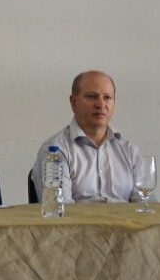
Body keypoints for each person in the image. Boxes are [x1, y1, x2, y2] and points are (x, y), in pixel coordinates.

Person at [32, 71, 144, 203]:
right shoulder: (54, 151)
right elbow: (60, 208)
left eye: (107, 97)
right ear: (74, 103)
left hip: (124, 217)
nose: (100, 104)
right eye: (92, 96)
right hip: (77, 218)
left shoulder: (129, 151)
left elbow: (145, 205)